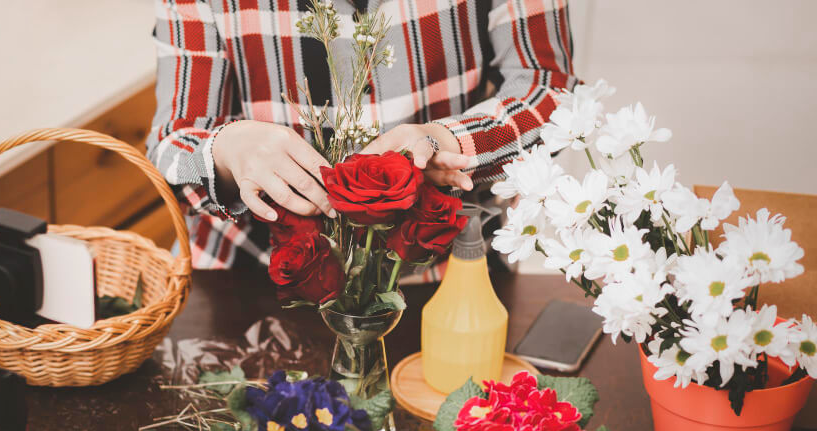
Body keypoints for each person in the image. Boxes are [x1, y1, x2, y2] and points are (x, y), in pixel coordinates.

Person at [148, 0, 576, 269]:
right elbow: (172, 139)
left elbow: (548, 87)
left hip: (445, 271)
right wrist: (228, 148)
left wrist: (448, 142)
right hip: (252, 275)